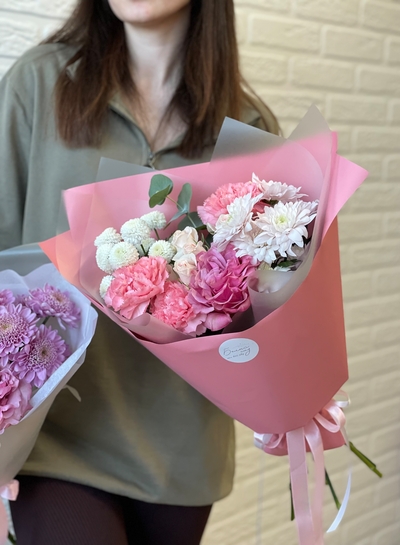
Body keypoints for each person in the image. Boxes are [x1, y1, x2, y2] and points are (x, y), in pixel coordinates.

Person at [0, 1, 279, 543]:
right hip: (54, 440)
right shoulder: (39, 83)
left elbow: (266, 298)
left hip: (183, 453)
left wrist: (289, 394)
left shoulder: (249, 127)